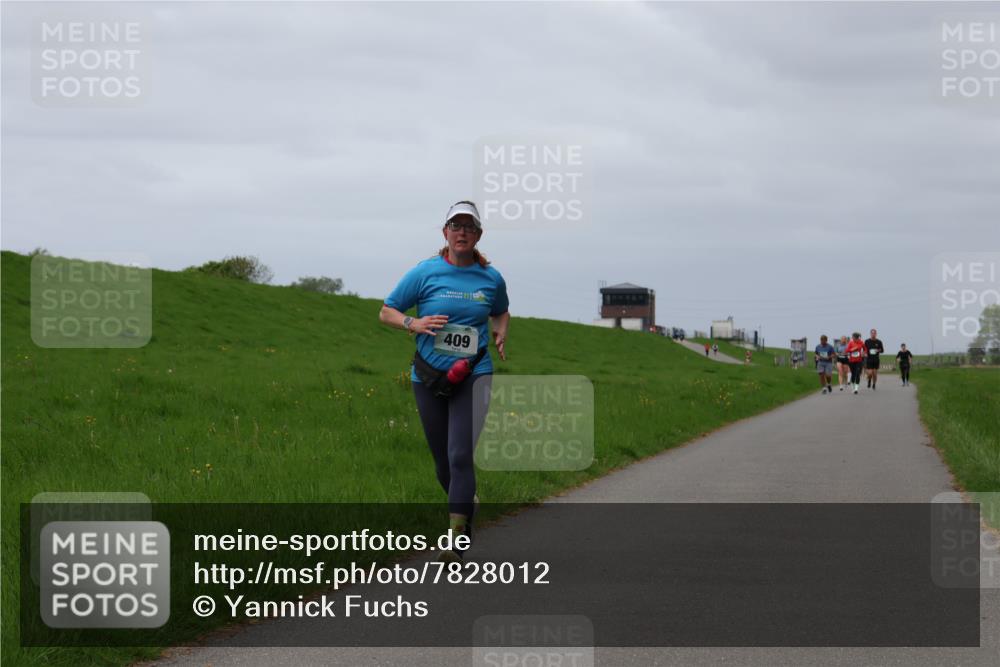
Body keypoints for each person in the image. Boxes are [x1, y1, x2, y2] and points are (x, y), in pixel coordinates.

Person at [379, 200, 510, 562]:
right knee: (442, 462)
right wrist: (413, 323)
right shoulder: (425, 272)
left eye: (469, 227)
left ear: (478, 235)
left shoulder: (491, 278)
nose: (462, 232)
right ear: (445, 233)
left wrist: (501, 330)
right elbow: (387, 311)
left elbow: (500, 310)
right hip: (428, 375)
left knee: (460, 454)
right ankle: (466, 502)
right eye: (456, 225)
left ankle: (456, 539)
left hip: (474, 373)